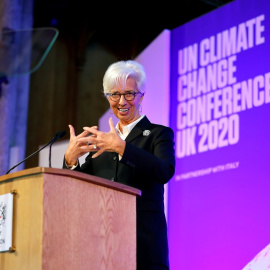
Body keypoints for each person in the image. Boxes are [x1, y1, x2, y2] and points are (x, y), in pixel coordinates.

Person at [63, 60, 175, 270]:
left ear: (141, 95)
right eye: (114, 94)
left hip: (144, 249)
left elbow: (164, 170)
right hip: (103, 250)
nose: (122, 101)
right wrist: (70, 160)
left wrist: (123, 148)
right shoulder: (102, 144)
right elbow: (76, 190)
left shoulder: (159, 134)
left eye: (129, 94)